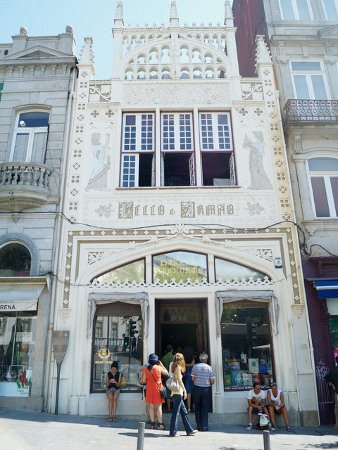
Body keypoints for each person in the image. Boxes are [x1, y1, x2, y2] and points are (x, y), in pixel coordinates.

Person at [169, 353, 196, 437]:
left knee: (184, 412)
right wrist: (184, 390)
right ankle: (173, 432)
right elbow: (180, 380)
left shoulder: (173, 365)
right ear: (181, 360)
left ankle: (189, 430)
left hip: (176, 392)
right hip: (178, 392)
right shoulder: (177, 367)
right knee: (176, 413)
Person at [142, 353, 168, 430]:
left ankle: (152, 424)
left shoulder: (145, 368)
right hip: (158, 388)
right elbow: (166, 373)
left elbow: (143, 380)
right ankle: (160, 424)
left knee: (151, 406)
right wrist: (162, 365)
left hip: (149, 388)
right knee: (158, 406)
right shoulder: (158, 367)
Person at [191, 352, 215, 432]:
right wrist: (207, 383)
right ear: (205, 359)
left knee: (197, 407)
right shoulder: (209, 368)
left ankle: (199, 426)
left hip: (197, 389)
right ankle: (205, 426)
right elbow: (212, 381)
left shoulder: (195, 367)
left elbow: (193, 379)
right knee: (205, 408)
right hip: (206, 389)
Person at [324, 356, 338, 427]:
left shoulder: (333, 370)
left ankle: (337, 424)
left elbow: (326, 377)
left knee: (337, 408)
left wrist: (332, 384)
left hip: (337, 391)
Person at [162, 344, 175, 412]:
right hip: (173, 377)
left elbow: (163, 367)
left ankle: (169, 408)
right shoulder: (174, 357)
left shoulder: (164, 357)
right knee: (175, 392)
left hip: (166, 377)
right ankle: (175, 408)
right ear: (172, 350)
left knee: (168, 393)